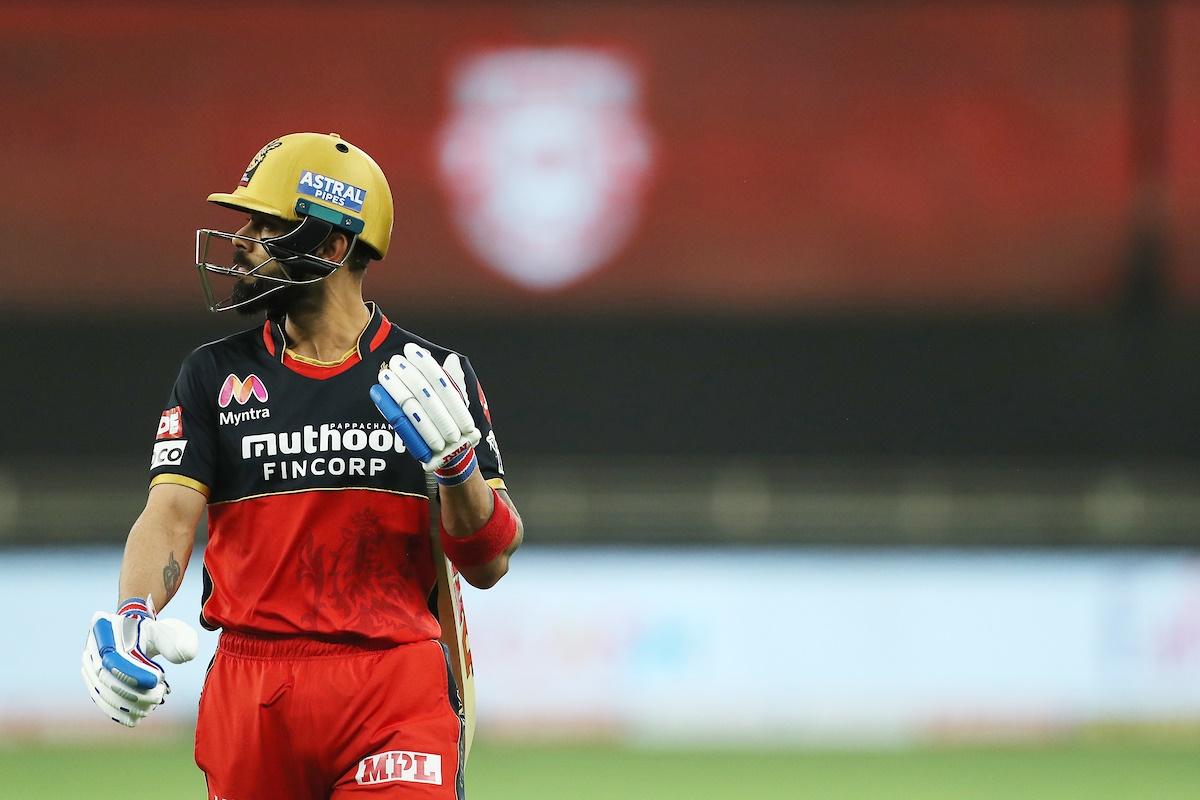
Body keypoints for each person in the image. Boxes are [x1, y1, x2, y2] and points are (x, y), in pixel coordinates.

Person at [80, 132, 522, 799]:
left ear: (332, 246)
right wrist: (133, 612)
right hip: (251, 695)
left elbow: (488, 562)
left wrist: (458, 470)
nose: (242, 242)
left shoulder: (432, 376)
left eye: (267, 225)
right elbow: (168, 517)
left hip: (393, 691)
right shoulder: (211, 375)